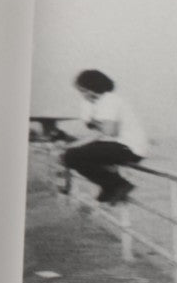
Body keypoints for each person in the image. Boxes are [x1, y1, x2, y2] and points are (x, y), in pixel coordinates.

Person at [62, 69, 148, 204]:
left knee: (71, 156)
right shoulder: (101, 102)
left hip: (129, 148)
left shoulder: (109, 100)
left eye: (84, 91)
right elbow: (99, 129)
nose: (82, 95)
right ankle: (110, 185)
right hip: (121, 146)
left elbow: (107, 131)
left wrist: (75, 144)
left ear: (93, 87)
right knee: (72, 155)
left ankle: (118, 184)